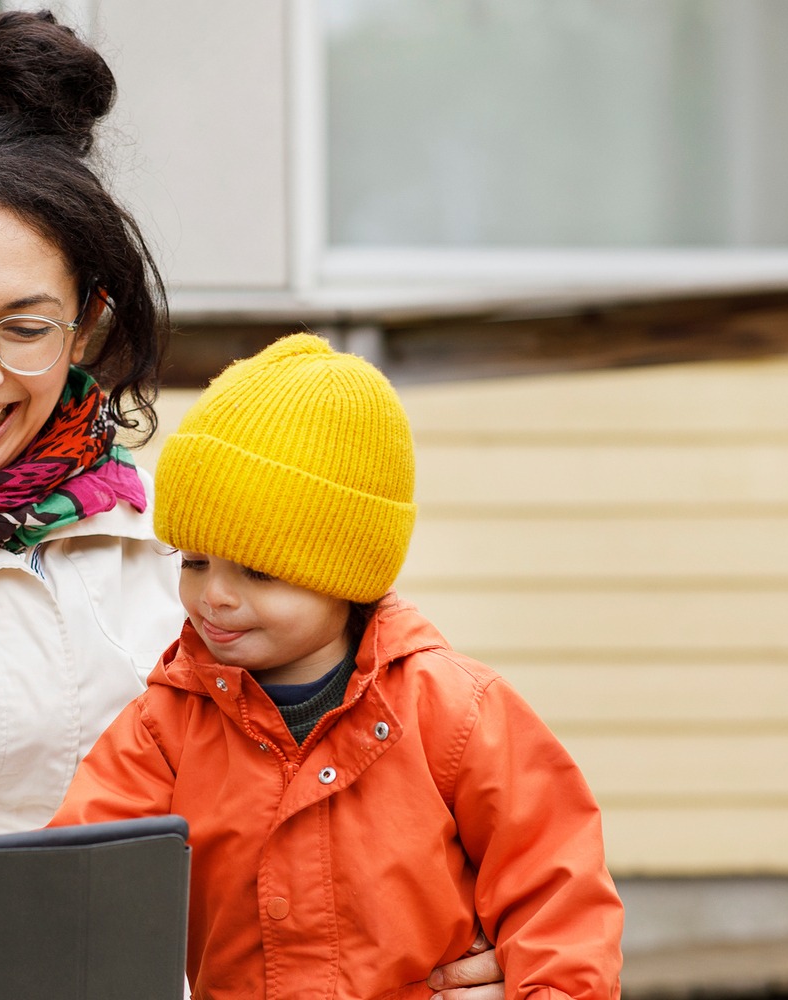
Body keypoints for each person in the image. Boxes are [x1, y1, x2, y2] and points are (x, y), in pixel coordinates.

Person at [0, 11, 505, 1000]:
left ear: (85, 324)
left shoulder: (173, 535)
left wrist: (435, 931)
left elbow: (321, 768)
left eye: (24, 327)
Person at [49, 336, 626, 1000]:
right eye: (194, 562)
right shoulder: (167, 726)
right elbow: (77, 884)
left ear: (345, 574)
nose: (215, 595)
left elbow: (556, 891)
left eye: (258, 571)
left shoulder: (455, 712)